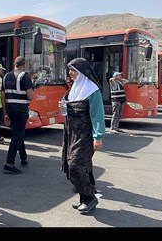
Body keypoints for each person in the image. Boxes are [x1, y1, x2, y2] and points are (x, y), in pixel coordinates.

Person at [61, 57, 105, 213]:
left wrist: (98, 136)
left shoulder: (91, 90)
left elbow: (97, 114)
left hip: (85, 135)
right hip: (72, 133)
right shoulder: (75, 88)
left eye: (73, 70)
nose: (70, 73)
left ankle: (90, 198)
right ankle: (83, 199)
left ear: (81, 72)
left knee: (75, 166)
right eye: (70, 70)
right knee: (76, 165)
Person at [1, 56, 34, 174]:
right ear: (24, 65)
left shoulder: (6, 76)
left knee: (18, 133)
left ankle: (23, 157)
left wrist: (5, 113)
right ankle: (9, 164)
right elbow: (30, 96)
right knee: (17, 135)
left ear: (14, 64)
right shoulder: (25, 76)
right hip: (21, 110)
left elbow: (3, 96)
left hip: (10, 109)